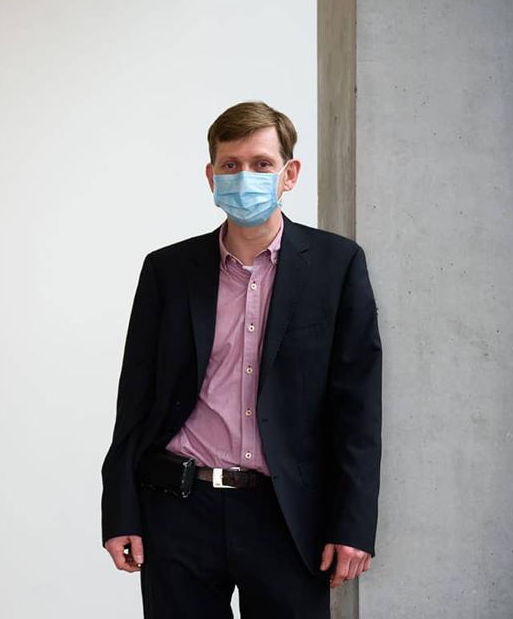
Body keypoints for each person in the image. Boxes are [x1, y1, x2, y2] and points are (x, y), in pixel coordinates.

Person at [101, 101, 382, 618]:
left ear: (289, 173)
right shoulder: (168, 270)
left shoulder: (336, 265)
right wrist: (120, 510)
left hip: (286, 513)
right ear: (211, 176)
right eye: (230, 166)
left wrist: (353, 523)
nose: (244, 177)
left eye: (260, 164)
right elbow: (135, 399)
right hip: (180, 507)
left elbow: (358, 409)